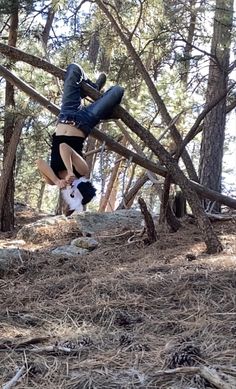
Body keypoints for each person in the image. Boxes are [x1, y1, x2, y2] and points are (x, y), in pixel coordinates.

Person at [36, 63, 124, 213]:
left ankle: (102, 106)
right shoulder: (82, 170)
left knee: (73, 69)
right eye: (75, 187)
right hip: (85, 120)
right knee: (117, 91)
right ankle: (95, 92)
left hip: (65, 114)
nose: (71, 185)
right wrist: (71, 171)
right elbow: (65, 147)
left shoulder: (53, 179)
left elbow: (38, 161)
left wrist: (57, 181)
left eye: (71, 192)